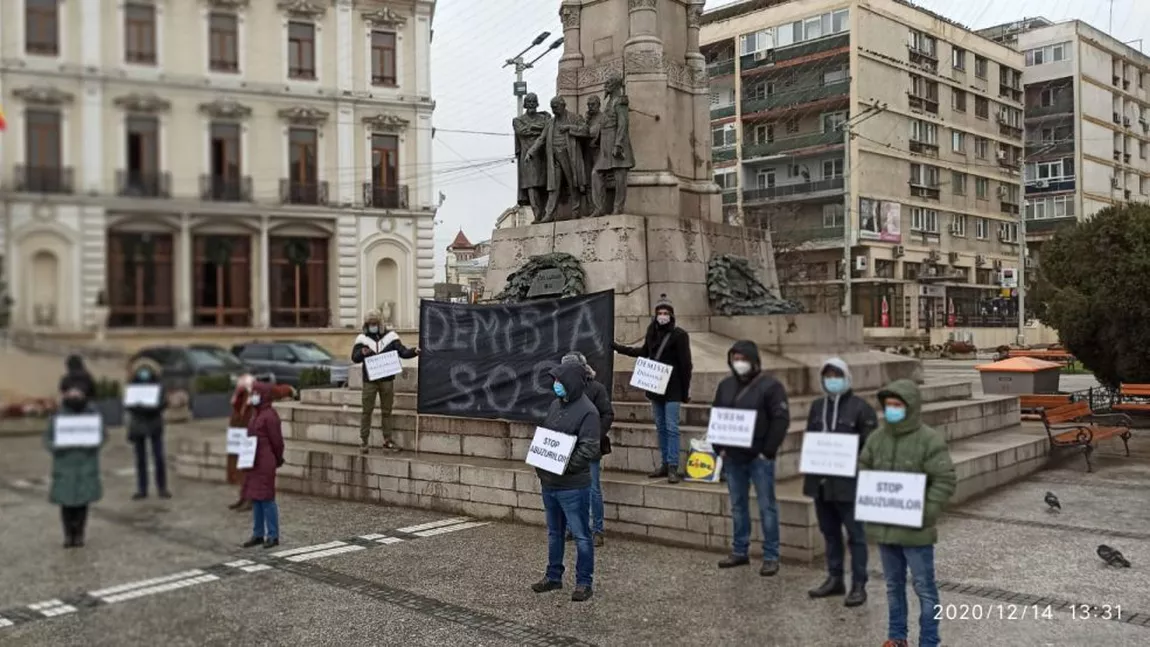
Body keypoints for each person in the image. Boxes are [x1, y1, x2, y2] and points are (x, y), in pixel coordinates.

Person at [859, 379, 956, 647]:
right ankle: (897, 636)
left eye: (897, 405)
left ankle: (929, 640)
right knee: (893, 586)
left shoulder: (929, 439)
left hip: (916, 531)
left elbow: (945, 479)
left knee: (924, 589)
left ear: (910, 407)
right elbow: (863, 469)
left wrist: (927, 512)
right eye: (888, 405)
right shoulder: (877, 439)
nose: (892, 409)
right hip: (886, 528)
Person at [709, 340, 789, 576]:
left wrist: (768, 451)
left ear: (753, 361)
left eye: (743, 359)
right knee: (738, 507)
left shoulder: (770, 386)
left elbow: (780, 419)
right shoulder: (725, 386)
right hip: (733, 457)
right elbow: (717, 415)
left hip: (759, 458)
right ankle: (740, 550)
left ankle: (771, 555)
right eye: (735, 359)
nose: (739, 363)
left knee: (767, 507)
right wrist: (719, 447)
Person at [803, 358, 878, 606]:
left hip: (849, 484)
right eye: (828, 376)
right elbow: (811, 439)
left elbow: (870, 447)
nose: (832, 380)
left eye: (837, 375)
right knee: (829, 532)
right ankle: (835, 578)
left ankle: (859, 584)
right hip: (822, 483)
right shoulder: (816, 407)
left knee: (855, 535)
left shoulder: (861, 408)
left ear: (846, 378)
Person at [531, 362, 601, 602]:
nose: (556, 385)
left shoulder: (589, 411)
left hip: (573, 485)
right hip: (549, 482)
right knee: (554, 533)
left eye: (560, 380)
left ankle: (584, 582)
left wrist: (562, 467)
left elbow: (589, 449)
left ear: (570, 381)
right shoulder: (554, 404)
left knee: (581, 535)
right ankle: (553, 576)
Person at [612, 294, 692, 483]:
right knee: (661, 427)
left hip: (673, 388)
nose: (662, 316)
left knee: (672, 427)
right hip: (655, 386)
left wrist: (685, 391)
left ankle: (673, 465)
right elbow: (643, 352)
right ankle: (664, 463)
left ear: (671, 316)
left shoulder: (679, 335)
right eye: (660, 313)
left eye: (666, 313)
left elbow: (686, 365)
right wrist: (619, 348)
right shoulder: (652, 332)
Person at [561, 352, 613, 547]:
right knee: (569, 489)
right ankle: (573, 528)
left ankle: (597, 530)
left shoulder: (596, 389)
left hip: (589, 446)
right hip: (568, 446)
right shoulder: (563, 390)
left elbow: (607, 414)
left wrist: (593, 436)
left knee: (592, 489)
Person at [351, 310, 419, 454]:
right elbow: (354, 358)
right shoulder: (362, 339)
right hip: (369, 381)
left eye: (375, 323)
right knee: (366, 411)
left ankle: (387, 440)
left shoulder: (391, 337)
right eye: (370, 324)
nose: (372, 326)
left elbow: (403, 352)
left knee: (387, 411)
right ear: (366, 324)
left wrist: (415, 351)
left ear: (380, 324)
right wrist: (361, 353)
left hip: (386, 380)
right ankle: (364, 441)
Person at [46, 382, 105, 548]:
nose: (74, 396)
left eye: (77, 393)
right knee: (66, 504)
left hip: (85, 464)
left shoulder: (92, 413)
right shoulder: (57, 415)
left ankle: (79, 533)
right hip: (65, 465)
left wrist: (94, 442)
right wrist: (56, 446)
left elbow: (102, 435)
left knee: (82, 503)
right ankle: (68, 534)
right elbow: (48, 438)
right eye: (71, 393)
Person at [227, 375, 294, 511]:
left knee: (253, 474)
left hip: (255, 443)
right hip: (244, 436)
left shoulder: (264, 407)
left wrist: (291, 390)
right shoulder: (244, 394)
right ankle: (244, 497)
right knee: (243, 470)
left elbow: (276, 438)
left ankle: (250, 500)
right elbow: (237, 409)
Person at [241, 382, 286, 549]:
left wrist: (278, 458)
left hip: (265, 462)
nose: (253, 396)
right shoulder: (256, 414)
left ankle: (273, 535)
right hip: (253, 461)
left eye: (255, 393)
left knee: (267, 498)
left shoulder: (270, 415)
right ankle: (258, 533)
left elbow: (277, 442)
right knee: (256, 499)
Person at [125, 364, 170, 500]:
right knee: (140, 459)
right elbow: (128, 404)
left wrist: (153, 407)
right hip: (138, 425)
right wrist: (139, 407)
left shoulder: (158, 385)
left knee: (158, 457)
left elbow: (164, 403)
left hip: (154, 424)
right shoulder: (132, 386)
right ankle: (142, 489)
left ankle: (162, 488)